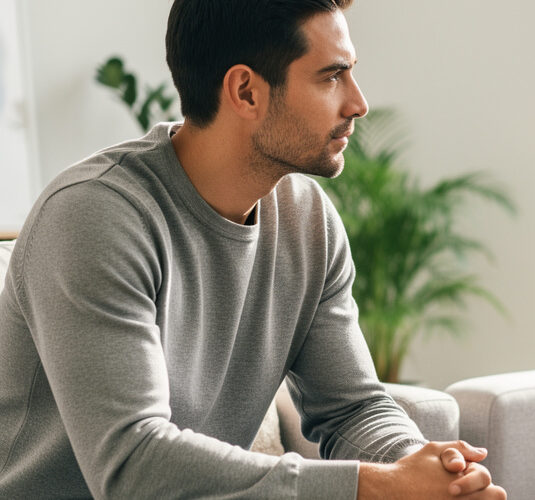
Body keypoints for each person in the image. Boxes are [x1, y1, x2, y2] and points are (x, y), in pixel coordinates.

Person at [0, 1, 505, 498]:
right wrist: (369, 487)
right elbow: (132, 465)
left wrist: (423, 471)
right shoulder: (95, 216)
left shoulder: (309, 220)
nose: (358, 103)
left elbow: (353, 407)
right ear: (245, 91)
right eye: (331, 77)